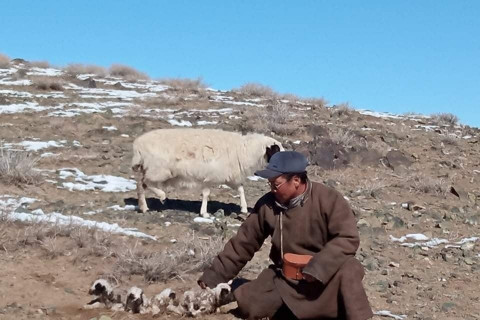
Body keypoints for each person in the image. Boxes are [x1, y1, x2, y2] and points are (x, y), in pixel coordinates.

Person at [198, 151, 373, 320]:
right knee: (250, 306)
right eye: (270, 184)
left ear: (296, 180)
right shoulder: (267, 205)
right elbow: (243, 243)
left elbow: (347, 238)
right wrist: (213, 276)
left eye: (276, 184)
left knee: (350, 268)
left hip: (325, 277)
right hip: (286, 280)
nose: (272, 189)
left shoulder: (329, 199)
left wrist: (318, 267)